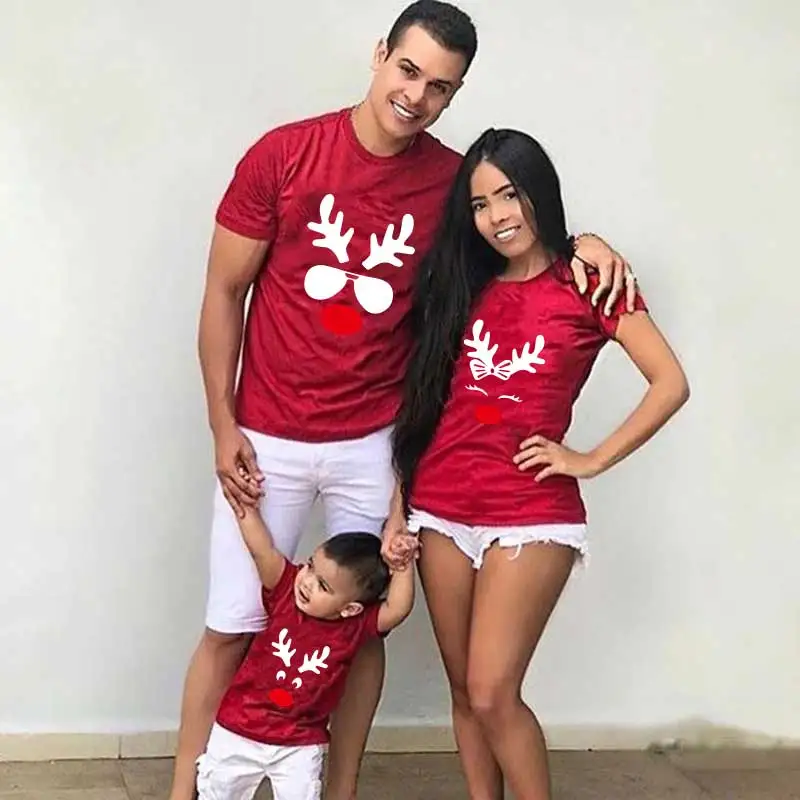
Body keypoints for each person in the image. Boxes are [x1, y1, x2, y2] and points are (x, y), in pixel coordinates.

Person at [171, 2, 636, 798]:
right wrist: (222, 423)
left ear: (455, 95)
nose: (416, 96)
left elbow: (516, 239)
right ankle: (188, 788)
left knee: (360, 628)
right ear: (381, 53)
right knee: (233, 623)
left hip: (373, 442)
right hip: (267, 434)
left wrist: (584, 243)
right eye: (409, 70)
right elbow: (223, 292)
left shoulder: (453, 185)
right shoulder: (284, 155)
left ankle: (339, 787)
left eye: (440, 87)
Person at [387, 127, 690, 800]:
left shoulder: (589, 282)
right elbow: (425, 405)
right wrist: (398, 506)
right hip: (439, 506)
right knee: (464, 692)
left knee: (493, 690)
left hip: (529, 512)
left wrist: (590, 459)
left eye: (509, 194)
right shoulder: (461, 284)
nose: (497, 216)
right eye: (480, 204)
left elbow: (670, 382)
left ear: (538, 192)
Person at [195, 472, 418, 800]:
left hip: (299, 744)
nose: (308, 581)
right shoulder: (285, 588)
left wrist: (403, 564)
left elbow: (398, 608)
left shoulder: (356, 626)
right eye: (311, 565)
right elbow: (262, 550)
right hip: (239, 729)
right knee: (216, 794)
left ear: (350, 608)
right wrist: (247, 509)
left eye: (323, 586)